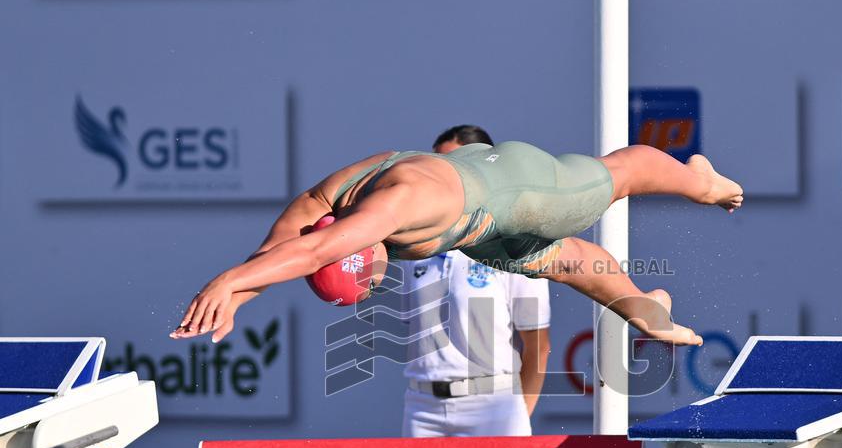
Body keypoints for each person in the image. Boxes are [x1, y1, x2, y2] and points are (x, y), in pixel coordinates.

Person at [170, 140, 743, 345]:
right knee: (563, 263)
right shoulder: (319, 208)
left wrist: (225, 282)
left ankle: (701, 179)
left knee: (619, 175)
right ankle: (646, 310)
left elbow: (316, 254)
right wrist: (236, 298)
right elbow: (283, 254)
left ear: (363, 248)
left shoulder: (393, 207)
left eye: (372, 278)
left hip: (516, 189)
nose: (381, 280)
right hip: (474, 231)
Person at [400, 125, 550, 437]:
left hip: (493, 407)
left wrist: (520, 415)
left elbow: (538, 345)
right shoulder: (412, 241)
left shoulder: (514, 242)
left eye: (453, 165)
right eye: (434, 165)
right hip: (422, 407)